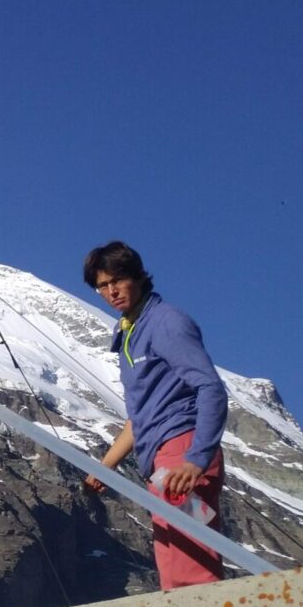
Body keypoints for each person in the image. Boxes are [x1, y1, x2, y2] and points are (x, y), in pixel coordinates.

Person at [79, 241, 228, 589]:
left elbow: (211, 388)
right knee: (173, 573)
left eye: (118, 279)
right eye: (103, 285)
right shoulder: (129, 332)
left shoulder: (165, 322)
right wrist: (106, 466)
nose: (112, 291)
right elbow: (142, 416)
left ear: (138, 277)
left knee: (193, 570)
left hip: (181, 450)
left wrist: (195, 460)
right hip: (160, 461)